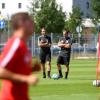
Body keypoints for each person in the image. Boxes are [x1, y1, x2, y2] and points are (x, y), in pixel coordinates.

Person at [0, 12, 40, 100]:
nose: (33, 23)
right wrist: (26, 78)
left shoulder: (23, 45)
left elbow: (14, 70)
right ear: (22, 23)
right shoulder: (15, 44)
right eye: (30, 21)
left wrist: (30, 69)